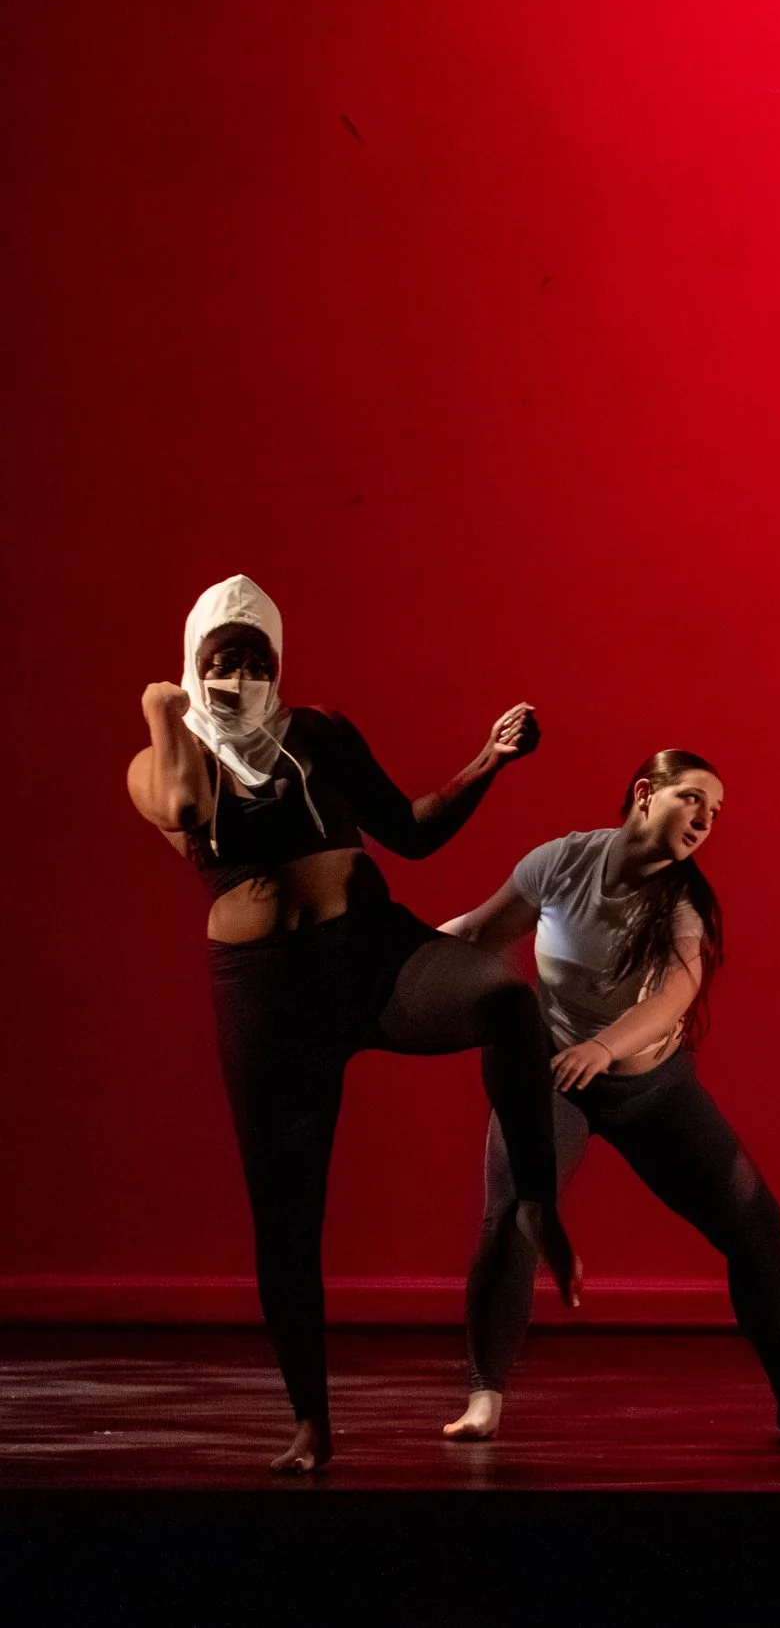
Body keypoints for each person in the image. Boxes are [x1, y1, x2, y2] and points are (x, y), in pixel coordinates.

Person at [124, 575, 577, 1474]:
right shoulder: (169, 757)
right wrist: (162, 710)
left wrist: (487, 759)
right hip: (269, 999)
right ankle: (311, 1423)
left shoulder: (318, 732)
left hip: (374, 956)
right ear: (192, 663)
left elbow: (408, 832)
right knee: (286, 1216)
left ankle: (536, 1199)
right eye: (225, 657)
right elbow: (180, 809)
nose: (244, 673)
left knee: (505, 998)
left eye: (258, 658)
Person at [439, 750, 780, 1442]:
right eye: (692, 799)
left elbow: (679, 991)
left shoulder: (682, 901)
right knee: (511, 1215)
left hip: (652, 1087)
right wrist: (388, 962)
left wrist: (605, 1046)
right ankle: (484, 1398)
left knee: (755, 1221)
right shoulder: (560, 862)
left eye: (716, 812)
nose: (705, 820)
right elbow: (476, 934)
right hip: (555, 1080)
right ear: (645, 793)